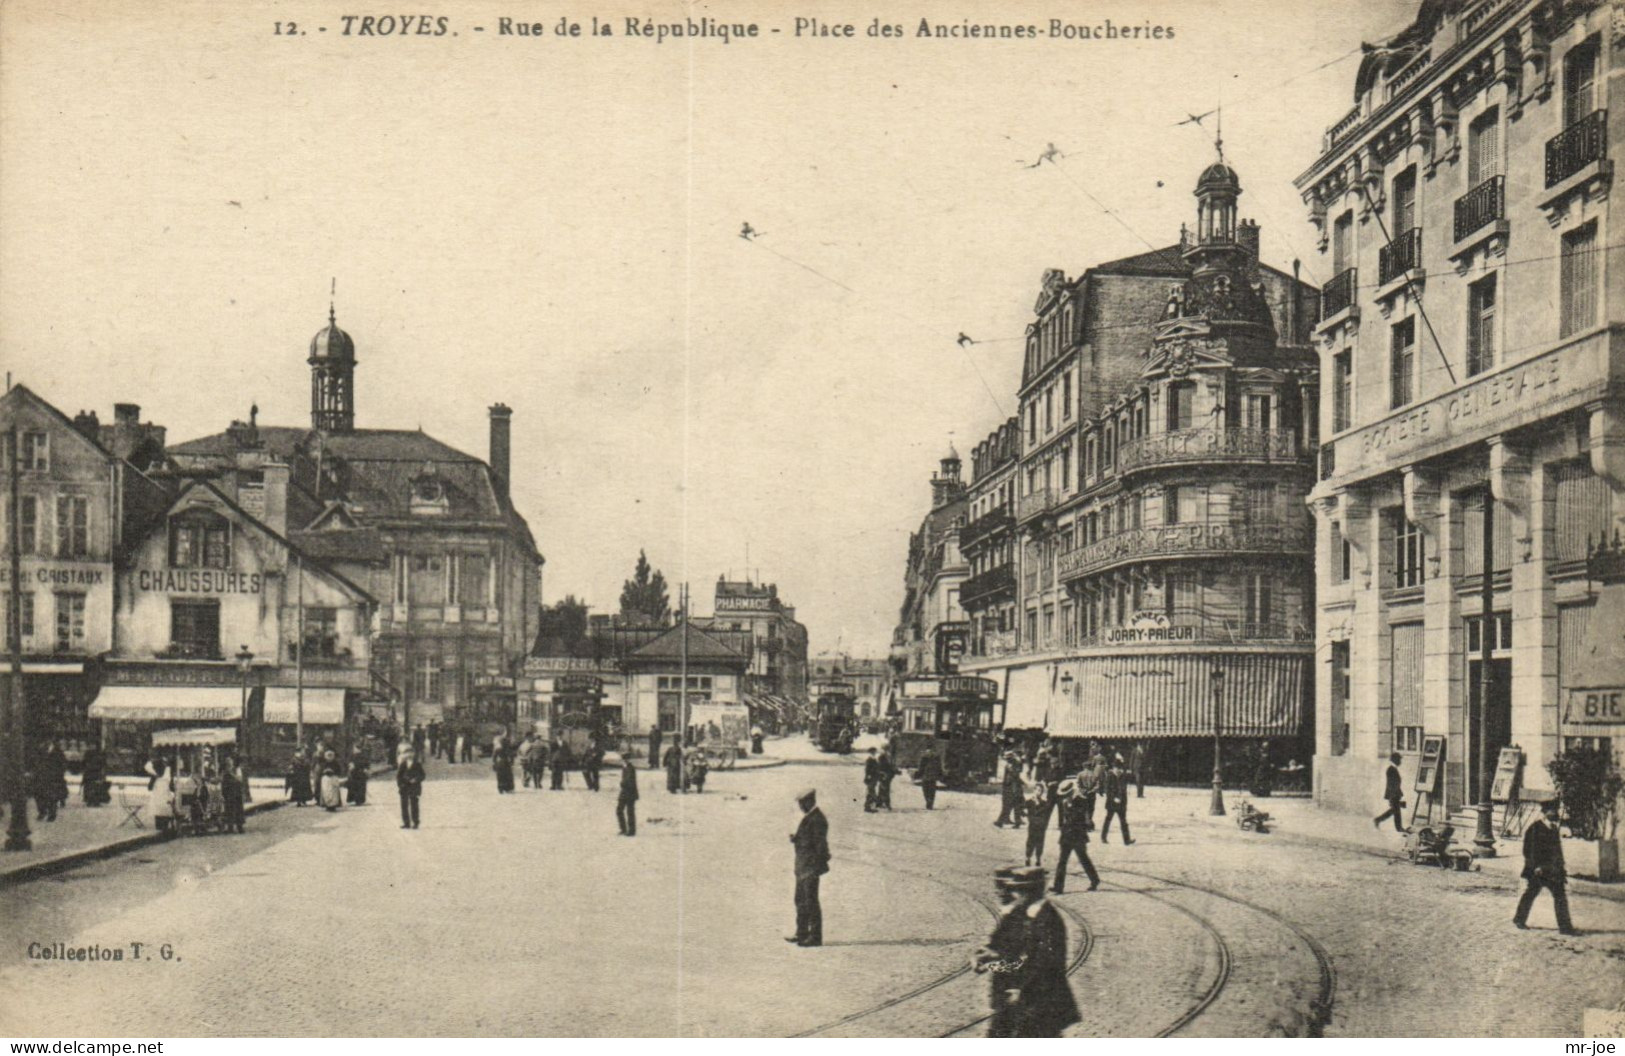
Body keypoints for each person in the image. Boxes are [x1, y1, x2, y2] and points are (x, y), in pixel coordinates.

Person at [973, 866, 1080, 1037]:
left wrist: (1021, 990)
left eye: (1018, 890)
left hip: (1042, 1000)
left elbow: (1047, 964)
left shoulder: (1049, 919)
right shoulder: (1021, 912)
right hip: (1018, 997)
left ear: (1029, 892)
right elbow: (1005, 943)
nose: (1013, 894)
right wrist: (987, 955)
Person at [1514, 802, 1578, 935]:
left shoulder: (1553, 828)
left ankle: (1565, 927)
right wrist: (1535, 866)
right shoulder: (1535, 828)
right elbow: (1529, 850)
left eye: (1556, 810)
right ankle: (1519, 919)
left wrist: (1561, 868)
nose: (1556, 813)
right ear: (1545, 812)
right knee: (1531, 893)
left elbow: (1557, 851)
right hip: (1539, 870)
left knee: (1559, 896)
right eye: (1553, 811)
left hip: (1553, 870)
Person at [788, 788, 830, 947]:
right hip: (802, 867)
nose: (800, 807)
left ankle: (815, 937)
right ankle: (802, 933)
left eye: (801, 803)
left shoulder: (817, 819)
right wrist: (796, 839)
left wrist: (815, 868)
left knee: (811, 902)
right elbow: (807, 840)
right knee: (800, 900)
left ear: (809, 801)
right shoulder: (810, 817)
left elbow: (820, 847)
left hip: (810, 868)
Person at [1050, 778, 1100, 894]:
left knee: (1084, 859)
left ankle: (1094, 880)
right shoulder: (1065, 802)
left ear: (1071, 792)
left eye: (1066, 794)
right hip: (1067, 835)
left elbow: (1078, 819)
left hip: (1078, 836)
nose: (1065, 796)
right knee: (1062, 861)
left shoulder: (1080, 801)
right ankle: (1058, 886)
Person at [1100, 755, 1134, 845]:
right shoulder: (1109, 776)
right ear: (1113, 768)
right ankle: (1103, 837)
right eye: (1116, 768)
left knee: (1124, 822)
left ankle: (1127, 840)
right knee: (1108, 820)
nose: (1118, 770)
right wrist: (1113, 798)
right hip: (1111, 803)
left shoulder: (1123, 776)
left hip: (1122, 803)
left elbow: (1129, 780)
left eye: (1120, 768)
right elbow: (1107, 790)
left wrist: (1128, 770)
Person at [1372, 752, 1409, 834]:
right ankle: (1398, 828)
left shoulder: (1393, 769)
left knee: (1394, 811)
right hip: (1393, 794)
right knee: (1396, 811)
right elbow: (1391, 784)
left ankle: (1378, 820)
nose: (1400, 762)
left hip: (1395, 794)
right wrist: (1393, 796)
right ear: (1395, 760)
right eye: (1399, 760)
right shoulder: (1391, 769)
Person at [1024, 775, 1054, 865]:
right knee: (1030, 841)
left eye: (1040, 791)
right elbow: (1024, 810)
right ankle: (1028, 857)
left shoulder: (1044, 803)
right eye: (1037, 790)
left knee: (1040, 842)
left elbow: (1046, 814)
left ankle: (1038, 858)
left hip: (1041, 825)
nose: (1039, 792)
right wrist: (1028, 816)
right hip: (1032, 824)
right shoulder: (1029, 802)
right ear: (1034, 790)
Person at [994, 749, 1024, 829]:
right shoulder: (1013, 764)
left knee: (1008, 805)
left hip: (1012, 787)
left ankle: (1000, 822)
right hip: (1012, 787)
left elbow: (1014, 776)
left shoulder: (1011, 765)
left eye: (1007, 758)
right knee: (1014, 806)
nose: (1006, 759)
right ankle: (1015, 822)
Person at [396, 748, 425, 829]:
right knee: (404, 805)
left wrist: (416, 779)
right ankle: (406, 823)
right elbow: (398, 776)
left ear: (414, 754)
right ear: (405, 755)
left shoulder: (417, 764)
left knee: (414, 805)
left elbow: (422, 775)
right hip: (404, 787)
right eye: (407, 753)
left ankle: (415, 822)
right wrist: (400, 784)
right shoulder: (403, 764)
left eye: (411, 753)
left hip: (414, 787)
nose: (409, 755)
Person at [220, 754, 247, 833]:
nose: (228, 763)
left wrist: (231, 773)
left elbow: (240, 779)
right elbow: (221, 779)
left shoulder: (236, 769)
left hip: (236, 792)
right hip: (228, 792)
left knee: (238, 809)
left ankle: (240, 827)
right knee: (229, 809)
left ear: (232, 762)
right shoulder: (224, 771)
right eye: (227, 762)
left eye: (230, 761)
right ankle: (230, 827)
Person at [617, 753, 639, 835]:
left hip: (630, 793)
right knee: (619, 810)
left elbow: (630, 782)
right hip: (624, 792)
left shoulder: (630, 768)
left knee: (630, 812)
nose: (622, 761)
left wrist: (622, 783)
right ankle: (623, 829)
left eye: (624, 760)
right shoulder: (624, 768)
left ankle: (631, 831)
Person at [917, 745, 943, 810]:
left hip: (926, 775)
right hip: (933, 776)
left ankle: (928, 801)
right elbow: (939, 766)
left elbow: (921, 766)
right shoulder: (937, 757)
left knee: (925, 789)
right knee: (932, 790)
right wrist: (940, 774)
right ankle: (930, 803)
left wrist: (919, 774)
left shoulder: (924, 756)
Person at [876, 747, 897, 811]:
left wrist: (896, 771)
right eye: (885, 750)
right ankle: (887, 804)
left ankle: (879, 803)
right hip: (884, 776)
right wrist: (882, 775)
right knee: (886, 789)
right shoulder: (881, 757)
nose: (887, 751)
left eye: (887, 750)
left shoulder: (890, 757)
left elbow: (892, 767)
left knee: (882, 789)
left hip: (889, 776)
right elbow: (880, 767)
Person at [863, 748, 882, 812]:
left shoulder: (873, 759)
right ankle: (868, 807)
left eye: (875, 752)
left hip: (874, 777)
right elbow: (867, 770)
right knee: (871, 792)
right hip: (871, 777)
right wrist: (868, 776)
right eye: (873, 752)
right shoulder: (869, 760)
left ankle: (868, 807)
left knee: (871, 791)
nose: (874, 753)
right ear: (871, 752)